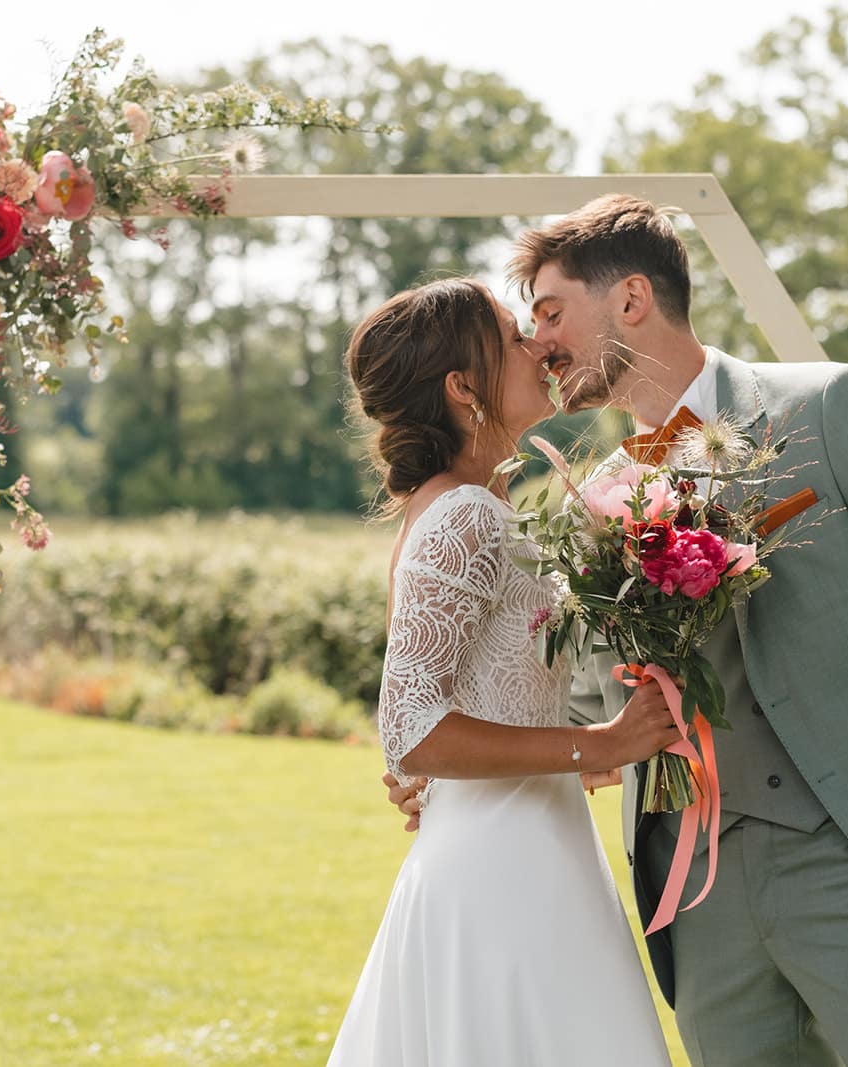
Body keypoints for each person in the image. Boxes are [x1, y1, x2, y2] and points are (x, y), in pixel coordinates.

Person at [386, 195, 848, 1065]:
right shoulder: (593, 498)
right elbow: (586, 703)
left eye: (548, 311)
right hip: (699, 899)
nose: (536, 342)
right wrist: (449, 767)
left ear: (631, 301)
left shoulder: (833, 407)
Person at [328, 278, 677, 1065]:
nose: (537, 349)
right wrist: (604, 744)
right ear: (462, 388)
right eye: (513, 337)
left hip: (522, 845)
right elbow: (411, 729)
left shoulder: (458, 507)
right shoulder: (466, 515)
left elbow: (475, 706)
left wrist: (611, 749)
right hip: (506, 875)